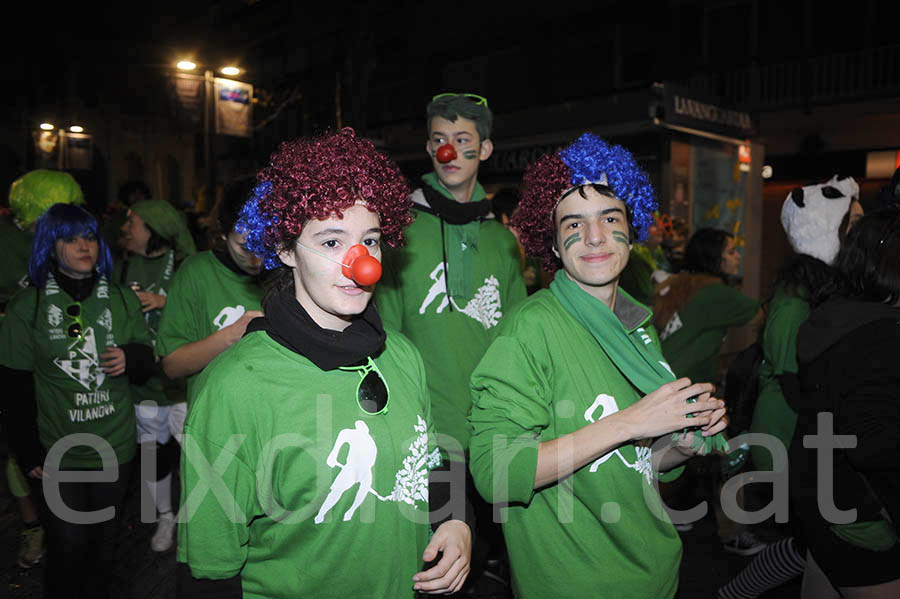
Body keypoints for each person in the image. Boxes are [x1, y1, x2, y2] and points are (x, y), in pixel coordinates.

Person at [177, 129, 472, 598]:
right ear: (285, 250)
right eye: (332, 243)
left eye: (370, 241)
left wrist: (456, 520)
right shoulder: (235, 386)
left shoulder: (403, 355)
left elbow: (431, 461)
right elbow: (209, 573)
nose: (362, 264)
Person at [468, 133, 728, 599]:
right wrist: (632, 421)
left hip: (654, 571)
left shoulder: (635, 323)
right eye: (574, 223)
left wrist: (681, 443)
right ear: (551, 243)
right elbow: (497, 473)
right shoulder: (530, 329)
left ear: (632, 225)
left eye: (610, 218)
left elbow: (636, 462)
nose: (594, 237)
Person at [376, 92, 526, 584]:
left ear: (484, 150)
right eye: (439, 140)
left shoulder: (502, 241)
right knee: (435, 567)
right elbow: (388, 335)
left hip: (491, 426)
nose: (448, 152)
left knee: (485, 554)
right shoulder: (400, 232)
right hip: (428, 430)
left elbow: (517, 333)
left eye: (462, 140)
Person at [0, 203, 154, 598]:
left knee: (104, 548)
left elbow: (147, 361)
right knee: (68, 549)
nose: (83, 246)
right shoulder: (26, 308)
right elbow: (14, 386)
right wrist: (28, 451)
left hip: (113, 447)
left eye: (89, 237)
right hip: (59, 453)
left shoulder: (121, 299)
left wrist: (131, 357)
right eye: (70, 239)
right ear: (50, 247)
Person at [788, 208, 900, 599]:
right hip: (857, 508)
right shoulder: (881, 332)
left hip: (823, 492)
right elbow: (874, 440)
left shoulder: (837, 315)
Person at [2, 169, 84, 570]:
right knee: (19, 442)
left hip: (60, 358)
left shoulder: (76, 239)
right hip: (14, 354)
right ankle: (32, 524)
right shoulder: (7, 242)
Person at [115, 198, 197, 552]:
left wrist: (165, 302)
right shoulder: (120, 265)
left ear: (154, 230)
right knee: (153, 455)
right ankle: (166, 516)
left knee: (195, 455)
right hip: (143, 382)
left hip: (182, 385)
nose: (124, 228)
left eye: (132, 222)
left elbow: (202, 317)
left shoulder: (185, 266)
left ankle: (200, 518)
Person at [155, 178, 264, 404]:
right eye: (244, 247)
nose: (257, 258)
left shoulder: (288, 269)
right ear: (223, 234)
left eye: (266, 245)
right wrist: (232, 335)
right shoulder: (197, 273)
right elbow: (172, 366)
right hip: (216, 414)